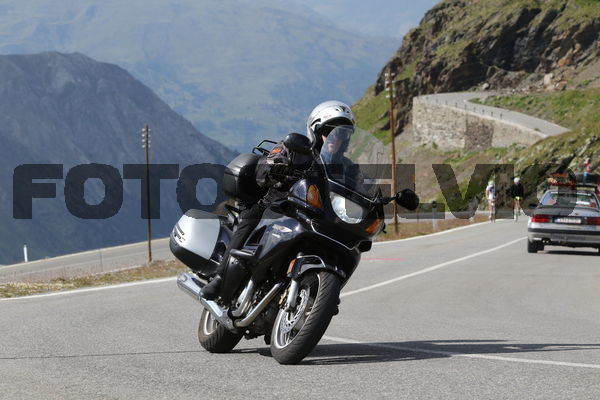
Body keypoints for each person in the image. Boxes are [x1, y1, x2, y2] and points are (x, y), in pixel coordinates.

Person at [201, 100, 356, 302]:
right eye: (329, 131)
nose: (335, 138)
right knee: (252, 216)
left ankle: (322, 294)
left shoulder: (348, 168)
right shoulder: (295, 149)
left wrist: (376, 201)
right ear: (316, 132)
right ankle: (220, 278)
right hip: (280, 206)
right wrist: (275, 168)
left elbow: (362, 188)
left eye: (341, 134)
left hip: (318, 217)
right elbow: (264, 167)